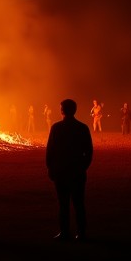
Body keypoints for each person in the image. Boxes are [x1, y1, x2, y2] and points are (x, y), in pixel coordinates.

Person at [46, 98, 93, 241]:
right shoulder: (82, 127)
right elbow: (89, 151)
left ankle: (65, 232)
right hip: (77, 172)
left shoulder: (56, 127)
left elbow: (50, 151)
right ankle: (81, 233)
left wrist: (51, 168)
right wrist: (83, 166)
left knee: (63, 204)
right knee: (79, 204)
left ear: (62, 110)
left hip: (61, 172)